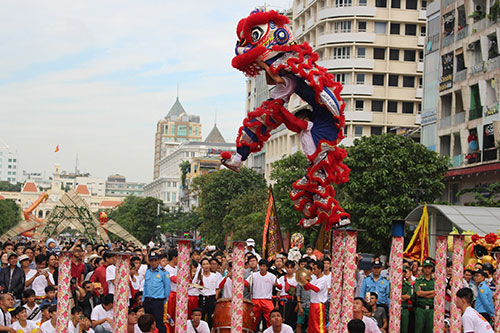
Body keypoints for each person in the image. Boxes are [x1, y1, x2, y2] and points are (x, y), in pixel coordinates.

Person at [245, 259, 279, 331]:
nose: (262, 268)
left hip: (267, 300)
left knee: (271, 319)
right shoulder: (253, 275)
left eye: (264, 266)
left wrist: (277, 285)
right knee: (253, 319)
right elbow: (245, 282)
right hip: (255, 300)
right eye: (261, 266)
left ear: (267, 267)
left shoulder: (271, 276)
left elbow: (280, 286)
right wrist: (248, 284)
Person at [142, 251, 171, 333]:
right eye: (151, 260)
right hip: (147, 301)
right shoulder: (147, 272)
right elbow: (145, 286)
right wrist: (143, 299)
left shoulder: (164, 272)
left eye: (155, 260)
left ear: (158, 260)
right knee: (147, 324)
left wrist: (164, 300)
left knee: (159, 323)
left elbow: (167, 288)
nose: (153, 262)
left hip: (157, 301)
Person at [197, 257, 220, 328]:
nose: (206, 266)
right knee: (202, 317)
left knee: (211, 318)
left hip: (212, 298)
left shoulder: (215, 276)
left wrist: (215, 298)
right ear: (201, 266)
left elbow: (217, 288)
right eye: (204, 264)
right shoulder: (199, 277)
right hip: (202, 298)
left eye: (207, 264)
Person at [414, 258, 435, 333]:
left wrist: (424, 293)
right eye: (425, 267)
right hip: (420, 308)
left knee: (430, 330)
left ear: (432, 268)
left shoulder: (435, 280)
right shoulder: (419, 280)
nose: (427, 270)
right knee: (418, 329)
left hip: (431, 309)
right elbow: (418, 293)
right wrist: (431, 292)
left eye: (429, 268)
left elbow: (436, 294)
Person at [277, 260, 297, 329]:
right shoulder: (281, 278)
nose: (289, 270)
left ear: (294, 268)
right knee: (282, 319)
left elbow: (298, 293)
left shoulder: (297, 279)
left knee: (291, 320)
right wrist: (277, 304)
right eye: (288, 268)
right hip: (282, 301)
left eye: (291, 268)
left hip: (292, 301)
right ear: (285, 268)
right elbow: (278, 292)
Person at [164, 249, 177, 333]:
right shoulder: (167, 268)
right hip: (170, 295)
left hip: (177, 295)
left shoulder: (177, 268)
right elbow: (174, 279)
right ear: (174, 258)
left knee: (176, 316)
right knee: (169, 316)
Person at [296, 265, 312, 333]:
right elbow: (298, 295)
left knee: (310, 324)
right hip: (302, 305)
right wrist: (299, 306)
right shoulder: (300, 283)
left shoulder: (314, 281)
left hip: (311, 305)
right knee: (299, 323)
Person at [401, 268, 412, 333]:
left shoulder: (408, 285)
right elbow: (391, 296)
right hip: (395, 309)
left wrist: (398, 296)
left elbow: (408, 296)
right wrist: (403, 296)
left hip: (405, 309)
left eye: (403, 272)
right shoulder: (392, 284)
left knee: (404, 329)